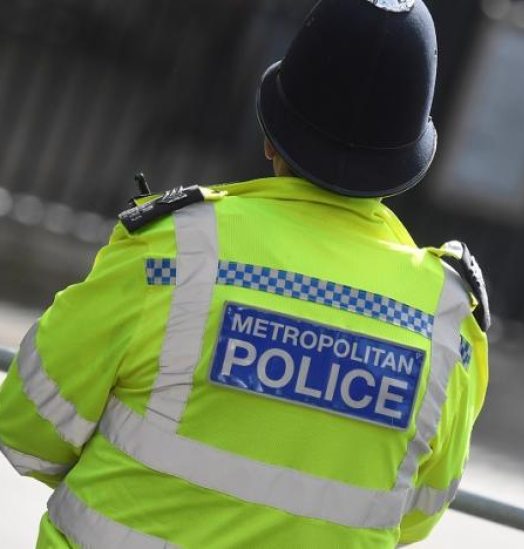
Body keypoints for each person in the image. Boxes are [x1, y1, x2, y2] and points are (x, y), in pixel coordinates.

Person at [0, 0, 490, 546]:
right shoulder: (446, 322)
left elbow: (29, 429)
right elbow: (417, 512)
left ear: (270, 136)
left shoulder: (176, 252)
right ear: (406, 166)